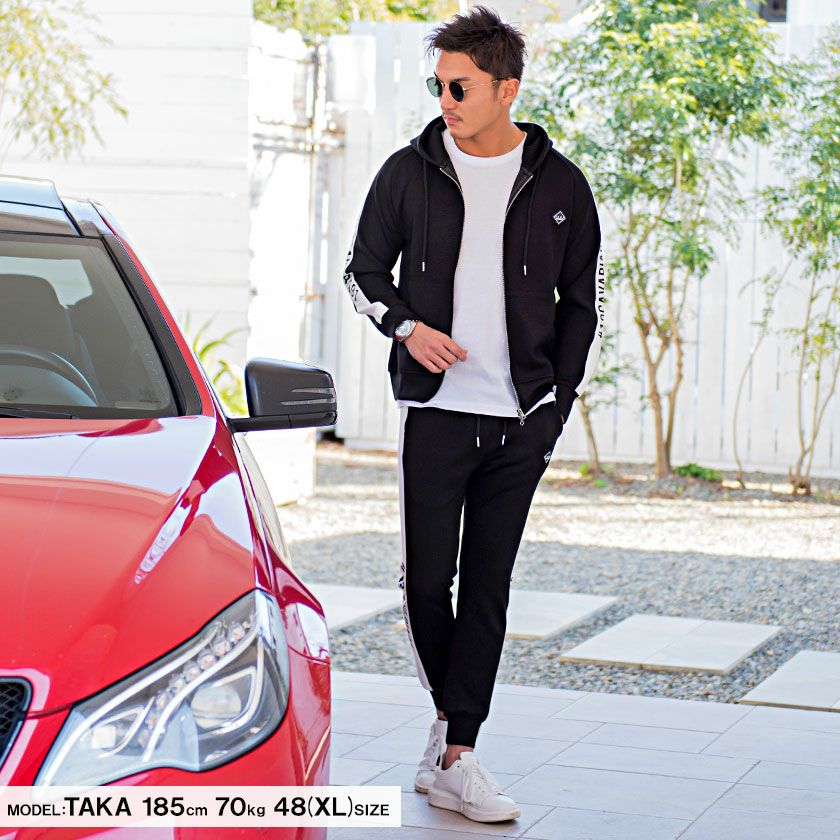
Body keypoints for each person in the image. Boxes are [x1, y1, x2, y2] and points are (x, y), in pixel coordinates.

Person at [342, 4, 605, 824]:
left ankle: (459, 752)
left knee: (489, 585)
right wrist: (406, 328)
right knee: (427, 583)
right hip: (437, 415)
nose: (445, 100)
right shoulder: (409, 171)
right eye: (438, 85)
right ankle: (447, 730)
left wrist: (556, 405)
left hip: (522, 419)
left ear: (506, 89)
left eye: (460, 86)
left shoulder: (560, 185)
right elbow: (361, 273)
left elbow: (582, 304)